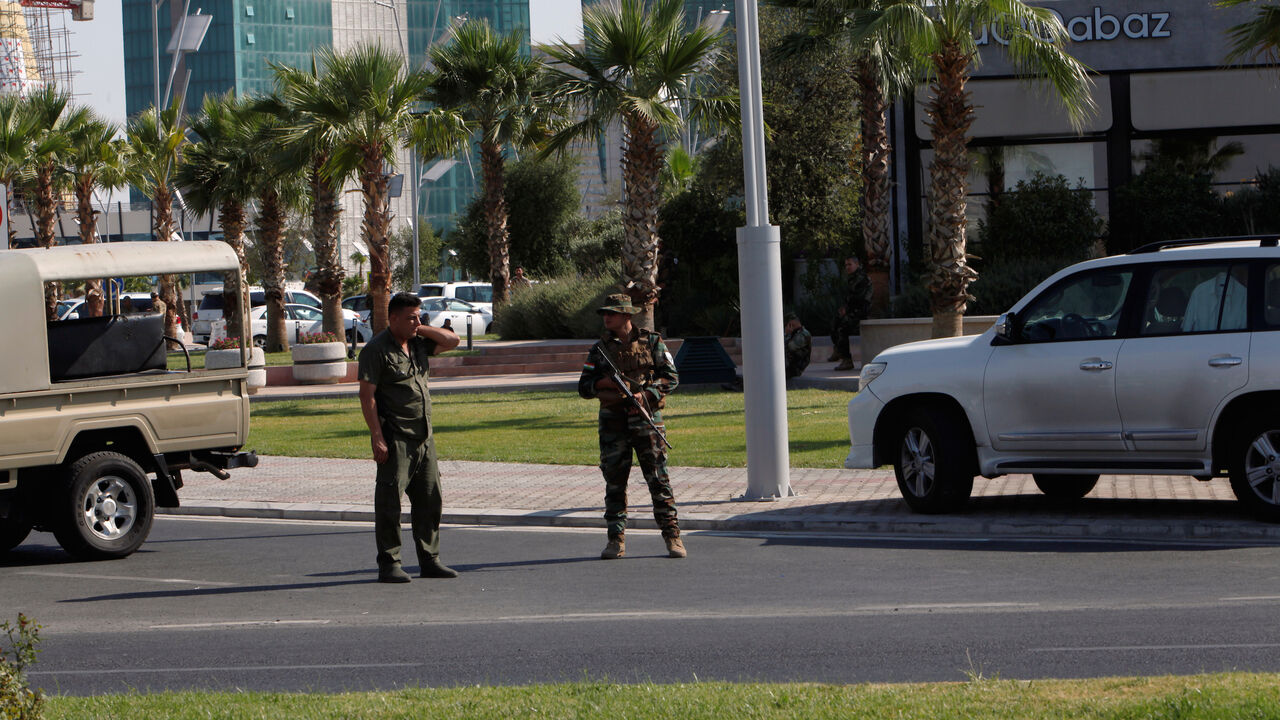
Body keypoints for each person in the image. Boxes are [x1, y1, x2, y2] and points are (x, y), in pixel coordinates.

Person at [358, 292, 461, 583]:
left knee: (430, 499)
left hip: (424, 436)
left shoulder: (418, 343)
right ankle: (389, 563)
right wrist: (376, 437)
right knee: (390, 501)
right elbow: (367, 397)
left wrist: (420, 326)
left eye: (419, 316)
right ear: (392, 319)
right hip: (396, 437)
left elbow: (452, 341)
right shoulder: (376, 350)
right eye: (410, 317)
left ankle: (430, 559)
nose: (417, 321)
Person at [577, 293, 684, 560]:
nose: (606, 318)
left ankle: (672, 536)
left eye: (611, 313)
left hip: (646, 420)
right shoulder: (599, 349)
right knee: (615, 482)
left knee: (658, 480)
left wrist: (646, 395)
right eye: (604, 313)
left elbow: (671, 377)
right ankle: (616, 540)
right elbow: (584, 386)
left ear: (626, 316)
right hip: (613, 423)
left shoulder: (652, 341)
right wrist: (606, 384)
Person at [831, 255, 872, 371]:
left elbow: (859, 298)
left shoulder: (862, 278)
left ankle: (847, 360)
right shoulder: (851, 278)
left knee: (842, 328)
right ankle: (838, 351)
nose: (847, 267)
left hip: (861, 312)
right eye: (846, 265)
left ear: (857, 264)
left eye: (850, 264)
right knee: (835, 322)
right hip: (852, 311)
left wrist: (847, 309)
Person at [784, 313, 812, 379]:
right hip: (790, 364)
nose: (786, 326)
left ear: (792, 323)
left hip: (795, 366)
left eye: (788, 323)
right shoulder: (794, 333)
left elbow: (791, 347)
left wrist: (786, 334)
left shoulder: (803, 334)